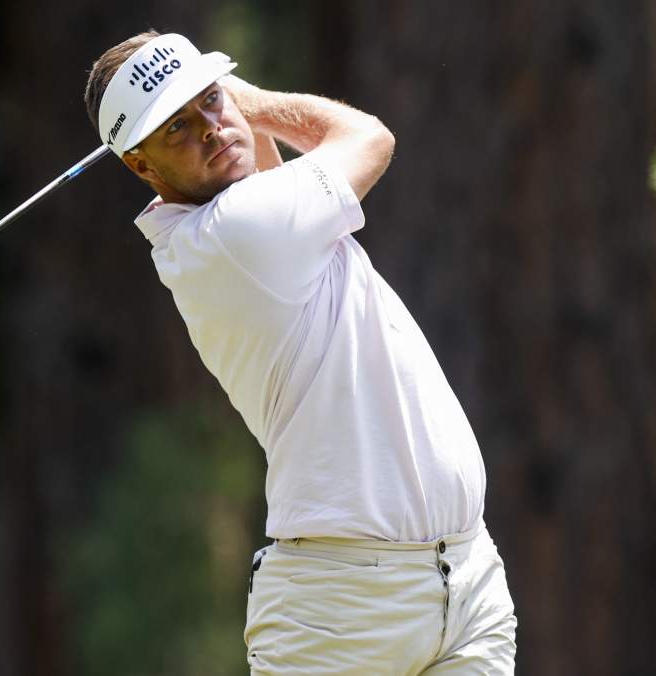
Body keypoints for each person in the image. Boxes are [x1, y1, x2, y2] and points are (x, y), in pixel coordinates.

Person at [84, 31, 517, 675]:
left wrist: (235, 114)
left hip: (467, 581)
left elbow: (265, 174)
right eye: (177, 126)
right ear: (141, 166)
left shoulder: (237, 220)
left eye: (210, 100)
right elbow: (369, 137)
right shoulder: (236, 233)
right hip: (339, 611)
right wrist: (253, 101)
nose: (210, 127)